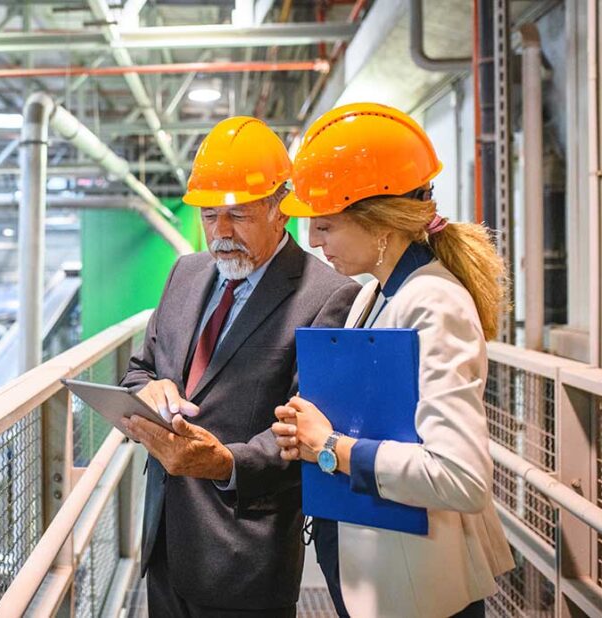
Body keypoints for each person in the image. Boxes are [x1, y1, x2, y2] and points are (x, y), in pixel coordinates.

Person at [271, 102, 515, 617]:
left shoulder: (433, 303)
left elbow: (460, 477)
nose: (313, 241)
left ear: (379, 222)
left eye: (327, 225)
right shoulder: (374, 295)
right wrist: (309, 427)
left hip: (418, 591)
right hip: (375, 570)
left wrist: (331, 446)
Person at [120, 116, 360, 617]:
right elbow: (140, 368)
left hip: (244, 556)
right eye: (210, 217)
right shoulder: (186, 273)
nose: (221, 233)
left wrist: (226, 463)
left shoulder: (328, 296)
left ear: (281, 212)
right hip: (165, 535)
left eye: (239, 216)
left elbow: (309, 430)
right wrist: (149, 391)